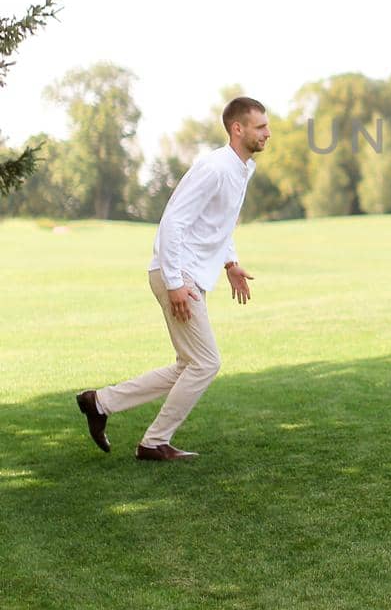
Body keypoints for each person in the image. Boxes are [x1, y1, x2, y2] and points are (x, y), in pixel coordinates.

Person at [75, 96, 270, 462]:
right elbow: (173, 222)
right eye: (260, 127)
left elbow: (218, 223)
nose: (268, 133)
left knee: (188, 365)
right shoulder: (214, 168)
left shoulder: (243, 169)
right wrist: (176, 281)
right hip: (179, 275)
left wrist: (231, 264)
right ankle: (153, 442)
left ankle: (99, 402)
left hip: (191, 274)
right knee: (206, 363)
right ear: (237, 128)